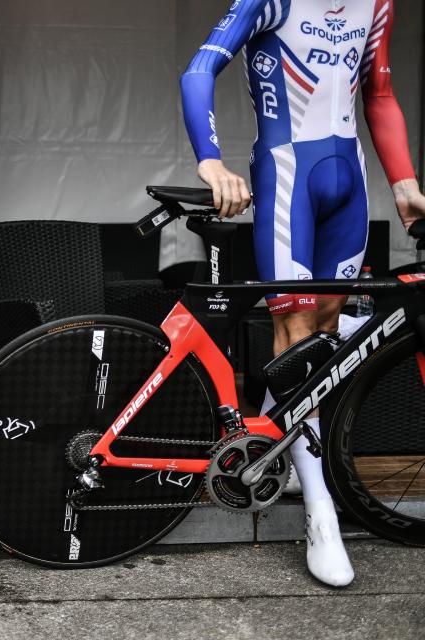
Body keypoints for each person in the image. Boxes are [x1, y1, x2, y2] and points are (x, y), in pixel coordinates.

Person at [181, 0, 425, 586]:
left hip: (351, 180)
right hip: (286, 175)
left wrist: (404, 179)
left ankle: (279, 448)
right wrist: (210, 161)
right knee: (294, 336)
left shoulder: (377, 3)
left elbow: (380, 93)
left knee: (324, 345)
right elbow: (198, 69)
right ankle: (322, 516)